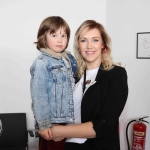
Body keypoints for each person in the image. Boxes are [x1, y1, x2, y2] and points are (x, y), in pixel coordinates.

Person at [42, 20, 128, 150]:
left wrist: (59, 131)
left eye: (95, 40)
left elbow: (104, 125)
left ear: (103, 45)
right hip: (69, 146)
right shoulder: (73, 76)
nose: (89, 46)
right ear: (78, 45)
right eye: (83, 40)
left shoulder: (116, 74)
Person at [30, 16, 77, 150]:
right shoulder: (42, 62)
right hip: (52, 122)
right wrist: (44, 125)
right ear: (43, 37)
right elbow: (39, 96)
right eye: (54, 35)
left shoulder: (67, 59)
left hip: (66, 120)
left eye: (64, 35)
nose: (60, 40)